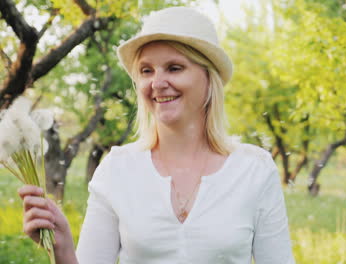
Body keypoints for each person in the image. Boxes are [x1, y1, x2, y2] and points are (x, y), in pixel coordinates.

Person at [18, 6, 295, 264]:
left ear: (209, 78)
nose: (158, 83)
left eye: (175, 68)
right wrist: (63, 246)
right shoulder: (117, 170)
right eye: (146, 71)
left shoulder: (254, 170)